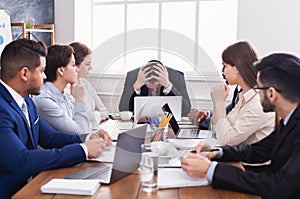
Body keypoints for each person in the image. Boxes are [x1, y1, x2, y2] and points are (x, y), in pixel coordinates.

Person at [0, 39, 112, 198]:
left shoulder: (28, 103)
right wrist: (84, 149)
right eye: (42, 71)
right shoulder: (2, 109)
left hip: (29, 186)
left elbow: (51, 138)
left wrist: (87, 138)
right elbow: (21, 161)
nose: (45, 76)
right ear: (24, 73)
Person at [181, 53, 300, 199]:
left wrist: (210, 169)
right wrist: (217, 152)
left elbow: (279, 186)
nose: (256, 93)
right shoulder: (291, 119)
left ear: (271, 93)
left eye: (258, 88)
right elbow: (257, 151)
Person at [193, 41, 275, 145]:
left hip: (243, 161)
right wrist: (217, 104)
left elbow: (225, 141)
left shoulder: (258, 103)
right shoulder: (243, 97)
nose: (223, 71)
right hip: (235, 157)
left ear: (237, 68)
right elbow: (216, 131)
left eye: (225, 66)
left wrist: (219, 103)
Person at [33, 44, 91, 134]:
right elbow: (81, 132)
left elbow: (86, 126)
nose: (77, 70)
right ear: (61, 71)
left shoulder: (62, 94)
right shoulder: (45, 100)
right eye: (73, 65)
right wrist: (79, 100)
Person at [119, 60, 191, 116]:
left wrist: (168, 86)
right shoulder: (133, 76)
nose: (154, 90)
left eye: (157, 86)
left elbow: (186, 110)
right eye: (150, 86)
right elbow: (123, 109)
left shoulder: (177, 76)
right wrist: (136, 86)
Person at [69, 42, 109, 130]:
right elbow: (76, 122)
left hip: (92, 130)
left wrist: (92, 116)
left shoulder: (85, 84)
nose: (90, 68)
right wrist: (95, 114)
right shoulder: (67, 90)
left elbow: (104, 112)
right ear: (75, 65)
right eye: (87, 64)